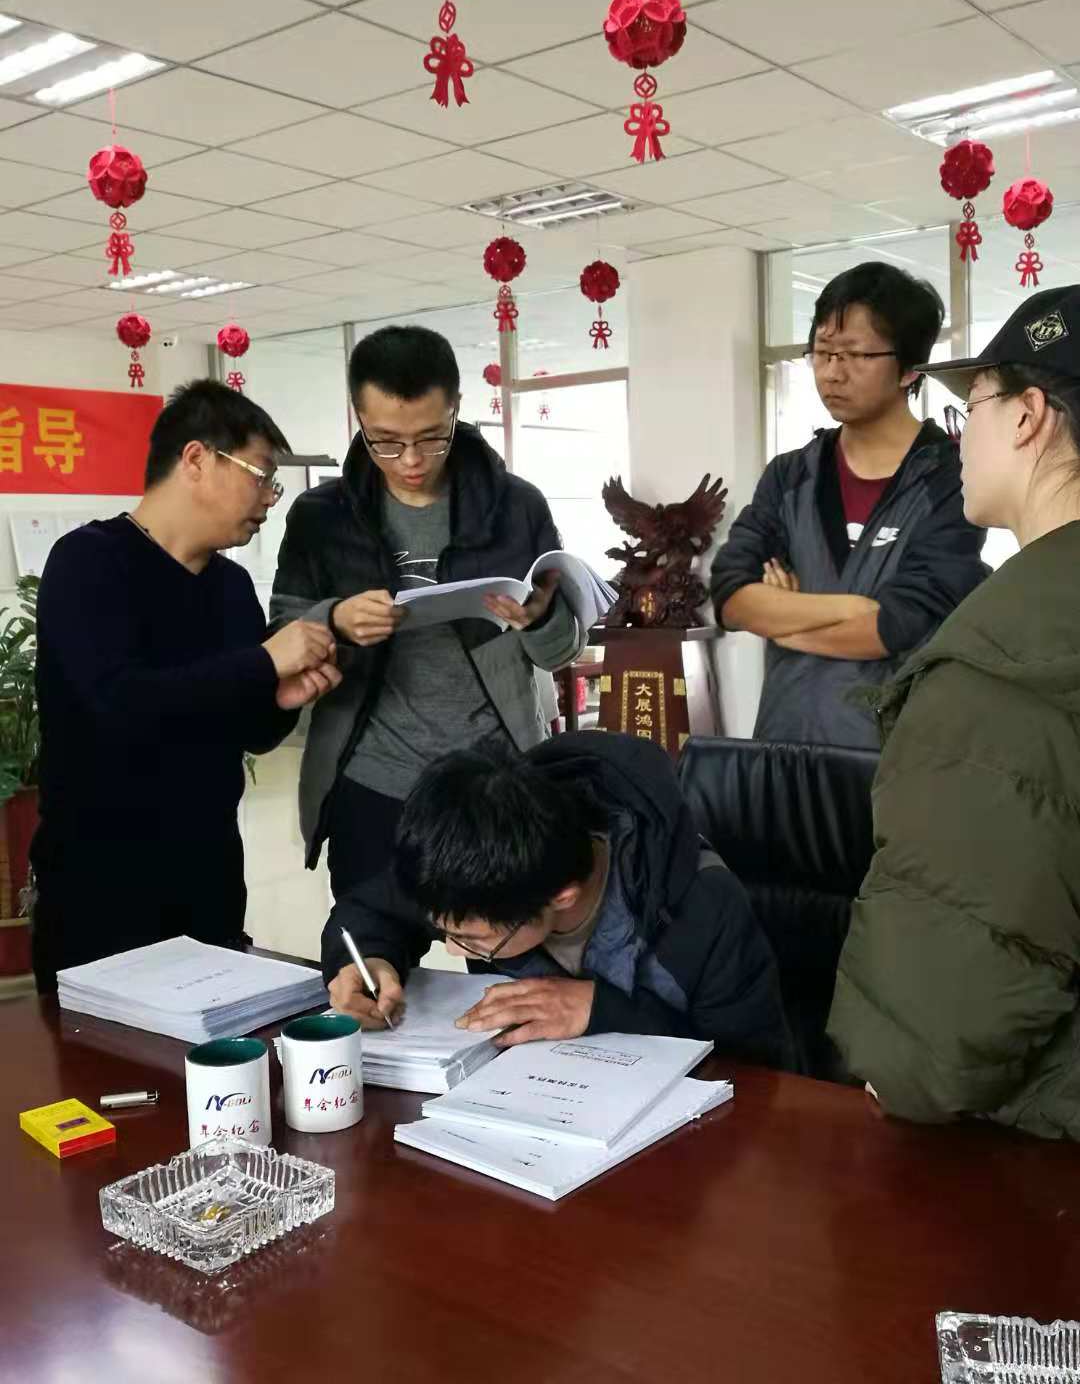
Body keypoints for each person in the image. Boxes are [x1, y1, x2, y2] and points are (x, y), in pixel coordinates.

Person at [828, 284, 1080, 1140]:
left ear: (1028, 416)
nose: (959, 436)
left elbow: (933, 1042)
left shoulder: (999, 666)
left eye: (970, 408)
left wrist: (891, 1071)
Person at [31, 381, 341, 990]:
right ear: (196, 459)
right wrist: (261, 664)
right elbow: (118, 704)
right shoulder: (89, 562)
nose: (269, 498)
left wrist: (280, 700)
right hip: (100, 888)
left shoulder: (230, 587)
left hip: (208, 883)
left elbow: (246, 729)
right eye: (261, 475)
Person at [270, 324, 584, 896]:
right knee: (369, 943)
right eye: (386, 441)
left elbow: (560, 651)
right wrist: (334, 619)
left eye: (432, 438)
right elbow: (282, 635)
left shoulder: (516, 507)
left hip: (495, 779)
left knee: (504, 941)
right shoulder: (322, 517)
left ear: (456, 409)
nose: (411, 460)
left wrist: (540, 619)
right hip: (372, 781)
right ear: (359, 417)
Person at [322, 731, 793, 1067]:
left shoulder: (702, 906)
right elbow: (370, 910)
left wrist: (604, 1013)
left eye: (474, 942)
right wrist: (369, 959)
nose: (453, 948)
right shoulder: (470, 863)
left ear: (562, 896)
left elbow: (756, 1068)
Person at [710, 262, 989, 748]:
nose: (832, 373)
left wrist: (783, 621)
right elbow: (731, 597)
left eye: (856, 355)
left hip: (896, 759)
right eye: (822, 353)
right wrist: (851, 608)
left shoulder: (952, 478)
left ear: (909, 368)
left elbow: (894, 626)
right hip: (785, 748)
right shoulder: (790, 475)